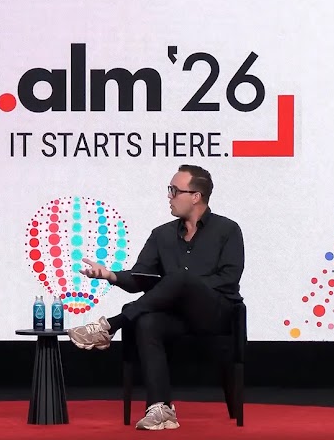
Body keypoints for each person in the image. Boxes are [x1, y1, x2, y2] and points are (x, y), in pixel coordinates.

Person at [66, 165, 245, 431]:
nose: (169, 196)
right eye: (169, 190)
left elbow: (229, 278)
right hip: (177, 318)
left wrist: (185, 288)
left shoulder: (227, 230)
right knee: (148, 321)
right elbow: (141, 278)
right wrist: (110, 275)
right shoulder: (161, 234)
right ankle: (161, 408)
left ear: (195, 196)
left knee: (181, 279)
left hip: (216, 315)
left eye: (174, 190)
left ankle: (110, 325)